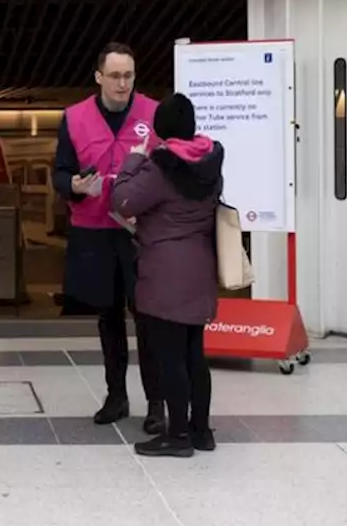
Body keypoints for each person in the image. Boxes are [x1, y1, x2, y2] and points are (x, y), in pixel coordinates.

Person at [51, 42, 165, 429]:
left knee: (148, 317)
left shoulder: (153, 114)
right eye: (114, 76)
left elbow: (170, 167)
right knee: (108, 317)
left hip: (139, 233)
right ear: (98, 77)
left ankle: (156, 404)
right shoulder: (73, 118)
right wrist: (76, 186)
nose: (122, 84)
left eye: (128, 76)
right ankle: (116, 396)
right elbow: (60, 173)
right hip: (95, 232)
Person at [112, 93, 223, 458]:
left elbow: (123, 200)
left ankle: (176, 437)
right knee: (195, 354)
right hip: (200, 270)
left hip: (165, 274)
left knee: (171, 357)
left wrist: (134, 159)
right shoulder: (210, 163)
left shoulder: (161, 166)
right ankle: (200, 432)